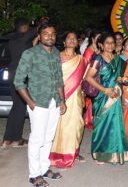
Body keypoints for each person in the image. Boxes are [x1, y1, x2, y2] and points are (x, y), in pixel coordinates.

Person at [14, 22, 67, 187]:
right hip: (38, 102)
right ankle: (34, 174)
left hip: (54, 102)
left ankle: (44, 168)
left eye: (52, 33)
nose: (50, 36)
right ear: (40, 35)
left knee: (48, 138)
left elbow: (59, 79)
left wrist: (62, 100)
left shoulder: (56, 53)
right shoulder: (30, 54)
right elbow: (18, 81)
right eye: (46, 33)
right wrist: (30, 102)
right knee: (37, 139)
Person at [84, 33, 128, 165]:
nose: (110, 45)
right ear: (101, 45)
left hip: (115, 95)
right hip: (102, 96)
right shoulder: (98, 59)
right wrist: (105, 90)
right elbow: (88, 77)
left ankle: (114, 153)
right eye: (107, 43)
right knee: (102, 126)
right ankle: (100, 153)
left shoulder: (117, 59)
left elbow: (116, 77)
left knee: (114, 125)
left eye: (112, 42)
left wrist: (122, 80)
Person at [49, 32, 86, 168]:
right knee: (59, 125)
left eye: (74, 38)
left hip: (75, 97)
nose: (71, 40)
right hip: (59, 96)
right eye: (68, 38)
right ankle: (57, 155)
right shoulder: (56, 57)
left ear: (78, 43)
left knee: (76, 125)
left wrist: (82, 96)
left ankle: (72, 152)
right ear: (64, 42)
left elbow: (81, 81)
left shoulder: (81, 60)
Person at [2, 17, 37, 148]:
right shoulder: (25, 37)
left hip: (12, 75)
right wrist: (41, 24)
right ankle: (16, 139)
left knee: (16, 106)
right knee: (20, 107)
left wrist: (35, 39)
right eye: (27, 27)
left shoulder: (12, 40)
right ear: (24, 28)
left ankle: (7, 139)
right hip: (21, 77)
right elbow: (36, 30)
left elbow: (27, 48)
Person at [82, 30, 101, 130]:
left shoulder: (98, 50)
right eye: (98, 38)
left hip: (97, 78)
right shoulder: (89, 51)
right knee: (91, 100)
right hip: (90, 79)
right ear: (93, 39)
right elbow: (84, 67)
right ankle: (90, 120)